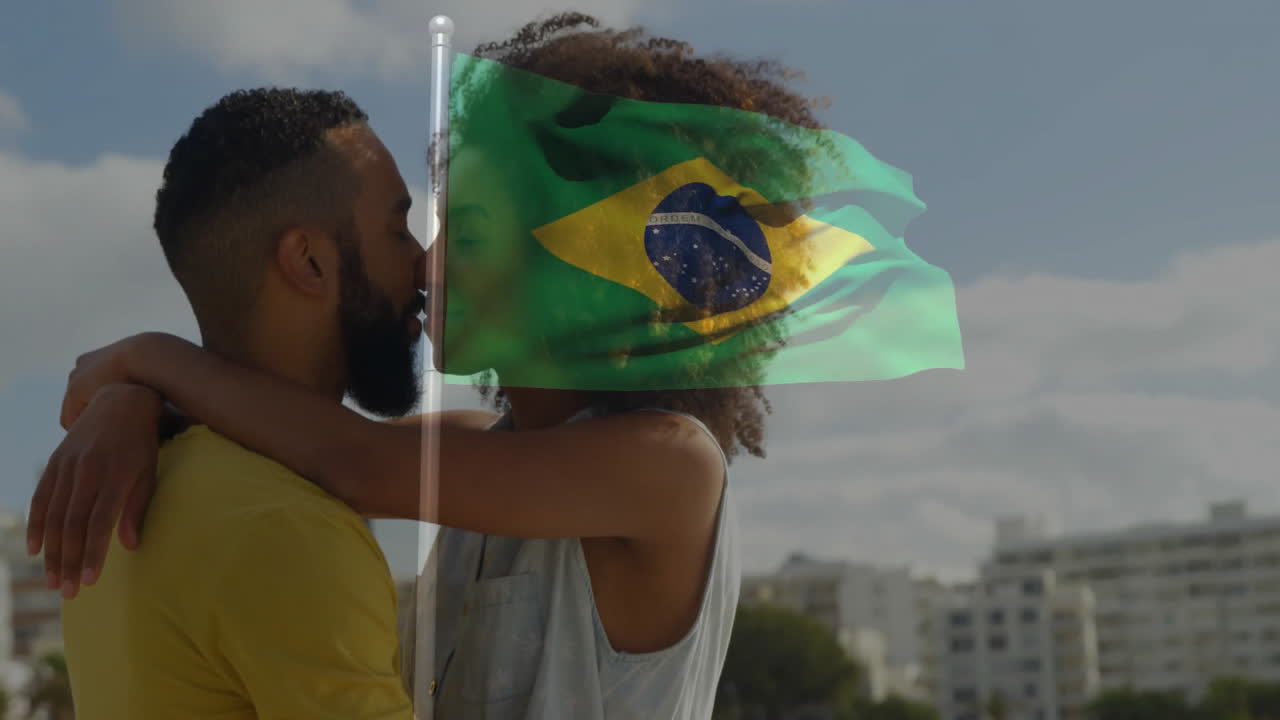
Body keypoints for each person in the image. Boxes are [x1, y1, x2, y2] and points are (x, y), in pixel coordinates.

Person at [33, 13, 829, 719]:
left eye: (472, 233)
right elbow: (297, 435)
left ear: (580, 272)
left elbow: (352, 460)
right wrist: (134, 403)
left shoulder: (669, 466)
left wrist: (149, 356)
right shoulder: (486, 442)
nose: (428, 265)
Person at [52, 88, 425, 718]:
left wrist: (144, 377)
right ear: (307, 261)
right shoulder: (286, 525)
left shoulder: (122, 487)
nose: (422, 263)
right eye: (398, 229)